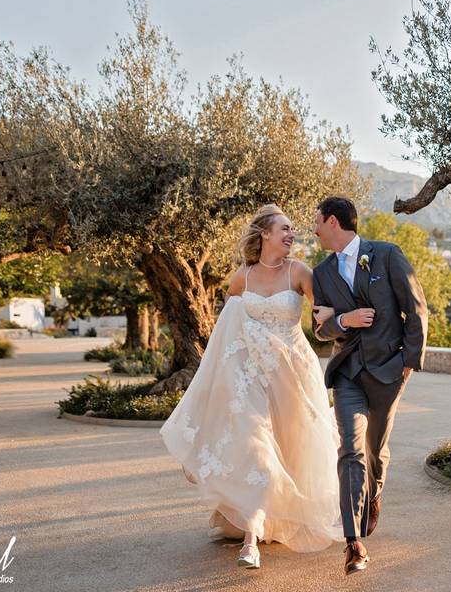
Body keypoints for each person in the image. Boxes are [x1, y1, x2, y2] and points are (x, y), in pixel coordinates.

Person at [159, 204, 341, 570]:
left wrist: (339, 321)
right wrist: (224, 383)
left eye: (292, 229)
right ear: (265, 235)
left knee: (290, 447)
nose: (292, 234)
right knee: (258, 449)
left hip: (293, 374)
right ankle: (250, 541)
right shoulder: (242, 277)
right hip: (250, 377)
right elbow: (227, 332)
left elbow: (324, 320)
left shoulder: (301, 273)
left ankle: (268, 518)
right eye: (285, 229)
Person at [311, 196, 429, 576]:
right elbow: (320, 327)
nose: (313, 228)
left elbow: (416, 309)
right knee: (351, 449)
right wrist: (345, 320)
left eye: (317, 221)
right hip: (347, 373)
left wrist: (408, 364)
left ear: (332, 221)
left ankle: (374, 495)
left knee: (376, 452)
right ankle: (353, 543)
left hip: (387, 371)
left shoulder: (387, 255)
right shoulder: (321, 274)